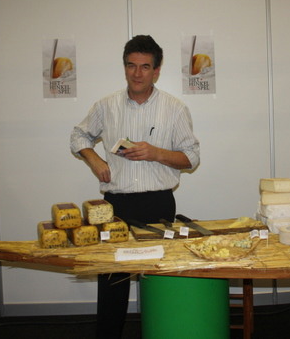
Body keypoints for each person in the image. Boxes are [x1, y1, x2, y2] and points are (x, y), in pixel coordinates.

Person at [70, 35, 200, 338]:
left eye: (145, 67)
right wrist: (94, 160)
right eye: (131, 66)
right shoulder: (106, 105)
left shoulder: (175, 108)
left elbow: (191, 158)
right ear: (124, 67)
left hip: (159, 204)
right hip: (116, 206)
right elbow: (78, 136)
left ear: (156, 71)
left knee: (159, 279)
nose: (137, 73)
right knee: (112, 281)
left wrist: (156, 153)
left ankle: (162, 331)